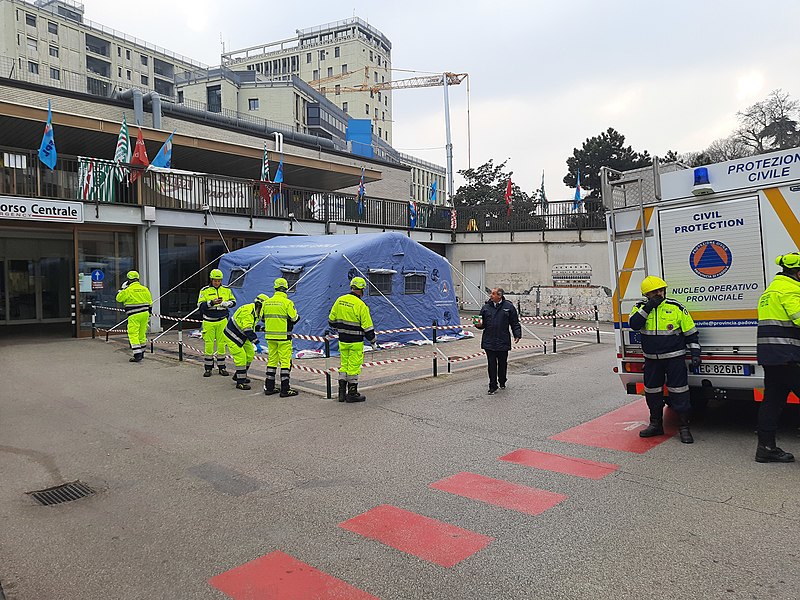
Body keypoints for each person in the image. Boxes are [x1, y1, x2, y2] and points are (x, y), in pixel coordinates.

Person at [629, 275, 700, 444]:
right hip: (652, 360)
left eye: (661, 290)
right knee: (652, 392)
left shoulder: (676, 307)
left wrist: (696, 353)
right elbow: (634, 324)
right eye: (655, 292)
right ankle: (655, 425)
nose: (660, 294)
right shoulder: (639, 308)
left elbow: (691, 333)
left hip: (674, 358)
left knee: (679, 392)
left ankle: (684, 428)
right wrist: (648, 307)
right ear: (647, 294)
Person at [754, 253, 800, 463]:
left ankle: (766, 448)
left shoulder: (769, 292)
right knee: (773, 401)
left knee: (772, 401)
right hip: (789, 356)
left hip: (772, 358)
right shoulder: (790, 290)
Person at [328, 276, 376, 403]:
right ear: (362, 289)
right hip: (355, 341)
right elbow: (368, 327)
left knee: (344, 365)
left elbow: (331, 321)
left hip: (342, 340)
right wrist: (373, 341)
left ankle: (341, 394)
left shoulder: (340, 300)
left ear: (351, 287)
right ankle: (352, 394)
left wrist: (339, 328)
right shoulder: (361, 305)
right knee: (353, 366)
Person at [474, 287, 521, 395]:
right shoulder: (485, 308)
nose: (491, 296)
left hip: (503, 340)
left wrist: (517, 334)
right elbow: (481, 323)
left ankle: (502, 380)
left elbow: (514, 322)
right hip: (489, 340)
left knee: (502, 363)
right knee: (491, 364)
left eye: (493, 294)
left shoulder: (508, 307)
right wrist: (478, 325)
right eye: (491, 294)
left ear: (499, 296)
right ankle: (492, 385)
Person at [261, 278, 300, 397]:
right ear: (286, 289)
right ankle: (285, 389)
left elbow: (262, 318)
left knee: (272, 361)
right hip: (284, 337)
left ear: (275, 288)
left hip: (270, 337)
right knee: (285, 362)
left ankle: (269, 387)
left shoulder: (266, 302)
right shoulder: (287, 303)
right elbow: (294, 318)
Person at [197, 268, 236, 378]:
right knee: (209, 344)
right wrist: (211, 303)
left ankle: (222, 367)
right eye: (215, 280)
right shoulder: (205, 291)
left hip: (222, 320)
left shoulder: (226, 290)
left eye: (219, 281)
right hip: (209, 321)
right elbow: (200, 306)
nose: (217, 283)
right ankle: (208, 368)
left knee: (222, 344)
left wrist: (226, 304)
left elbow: (234, 302)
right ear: (211, 280)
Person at [223, 294, 267, 391]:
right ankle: (240, 383)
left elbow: (251, 326)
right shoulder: (247, 312)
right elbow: (247, 329)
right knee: (241, 357)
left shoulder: (255, 311)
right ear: (260, 305)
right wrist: (257, 343)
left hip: (242, 335)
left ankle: (239, 375)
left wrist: (262, 328)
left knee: (250, 354)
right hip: (232, 335)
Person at [115, 270, 152, 363]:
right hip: (145, 314)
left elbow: (118, 299)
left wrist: (123, 289)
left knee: (133, 334)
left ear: (128, 280)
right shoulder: (145, 289)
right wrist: (149, 315)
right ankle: (142, 352)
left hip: (134, 315)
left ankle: (137, 355)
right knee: (142, 334)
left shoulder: (128, 290)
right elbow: (150, 303)